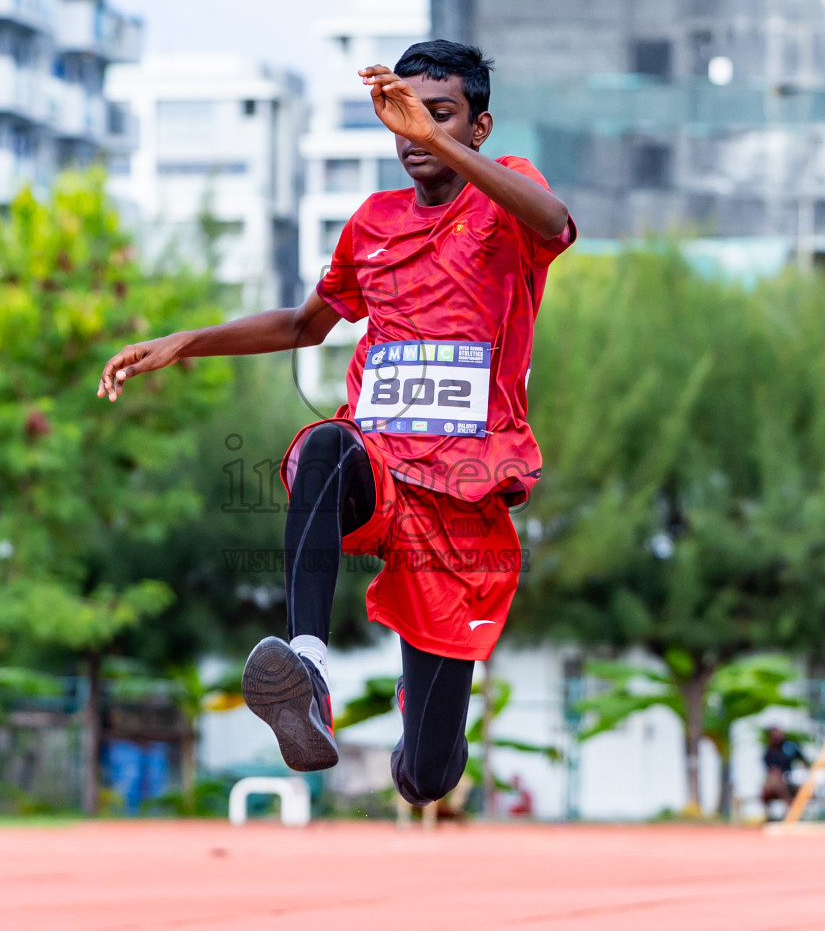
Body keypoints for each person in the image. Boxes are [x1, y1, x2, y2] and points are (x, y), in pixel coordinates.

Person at [97, 40, 575, 807]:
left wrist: (434, 138)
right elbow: (301, 323)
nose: (415, 132)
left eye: (441, 115)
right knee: (324, 444)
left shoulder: (509, 194)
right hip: (377, 463)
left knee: (427, 778)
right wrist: (188, 342)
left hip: (461, 496)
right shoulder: (373, 223)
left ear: (478, 128)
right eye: (405, 117)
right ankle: (308, 668)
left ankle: (419, 720)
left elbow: (554, 221)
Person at [761, 726, 805, 818]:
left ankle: (796, 808)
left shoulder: (789, 748)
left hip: (789, 779)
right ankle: (789, 802)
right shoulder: (769, 752)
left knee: (801, 784)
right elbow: (771, 771)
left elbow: (804, 761)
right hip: (775, 783)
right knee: (775, 777)